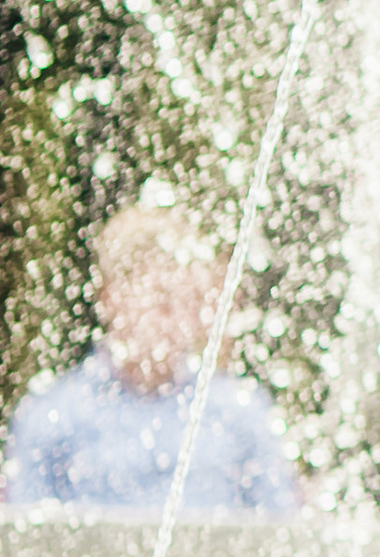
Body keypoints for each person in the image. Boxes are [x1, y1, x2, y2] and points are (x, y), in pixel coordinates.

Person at [1, 202, 300, 515]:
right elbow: (27, 549)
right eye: (161, 302)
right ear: (110, 298)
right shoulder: (53, 418)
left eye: (186, 301)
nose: (175, 321)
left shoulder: (240, 412)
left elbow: (283, 535)